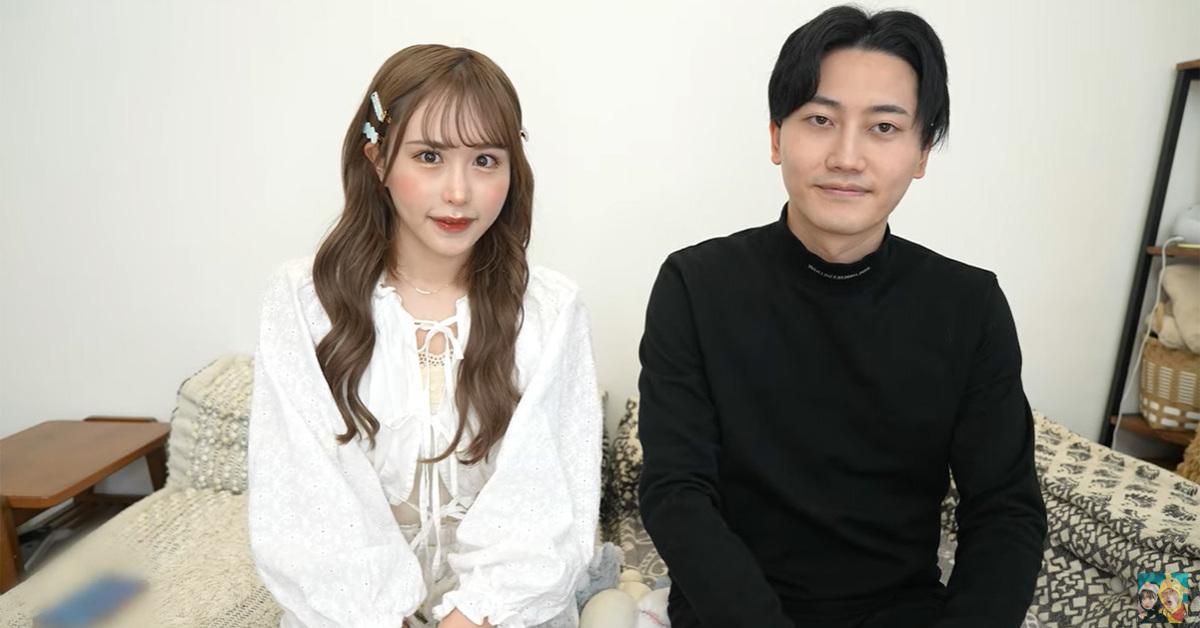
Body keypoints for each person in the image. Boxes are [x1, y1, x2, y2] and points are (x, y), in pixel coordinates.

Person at [637, 6, 1047, 628]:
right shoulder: (695, 284)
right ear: (776, 137)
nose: (847, 157)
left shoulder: (970, 305)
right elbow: (675, 491)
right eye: (820, 120)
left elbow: (1005, 510)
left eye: (884, 127)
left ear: (922, 151)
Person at [247, 44, 603, 628]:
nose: (458, 192)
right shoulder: (304, 299)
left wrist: (474, 615)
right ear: (378, 160)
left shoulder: (549, 308)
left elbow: (546, 501)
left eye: (485, 160)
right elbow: (306, 498)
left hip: (504, 617)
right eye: (429, 156)